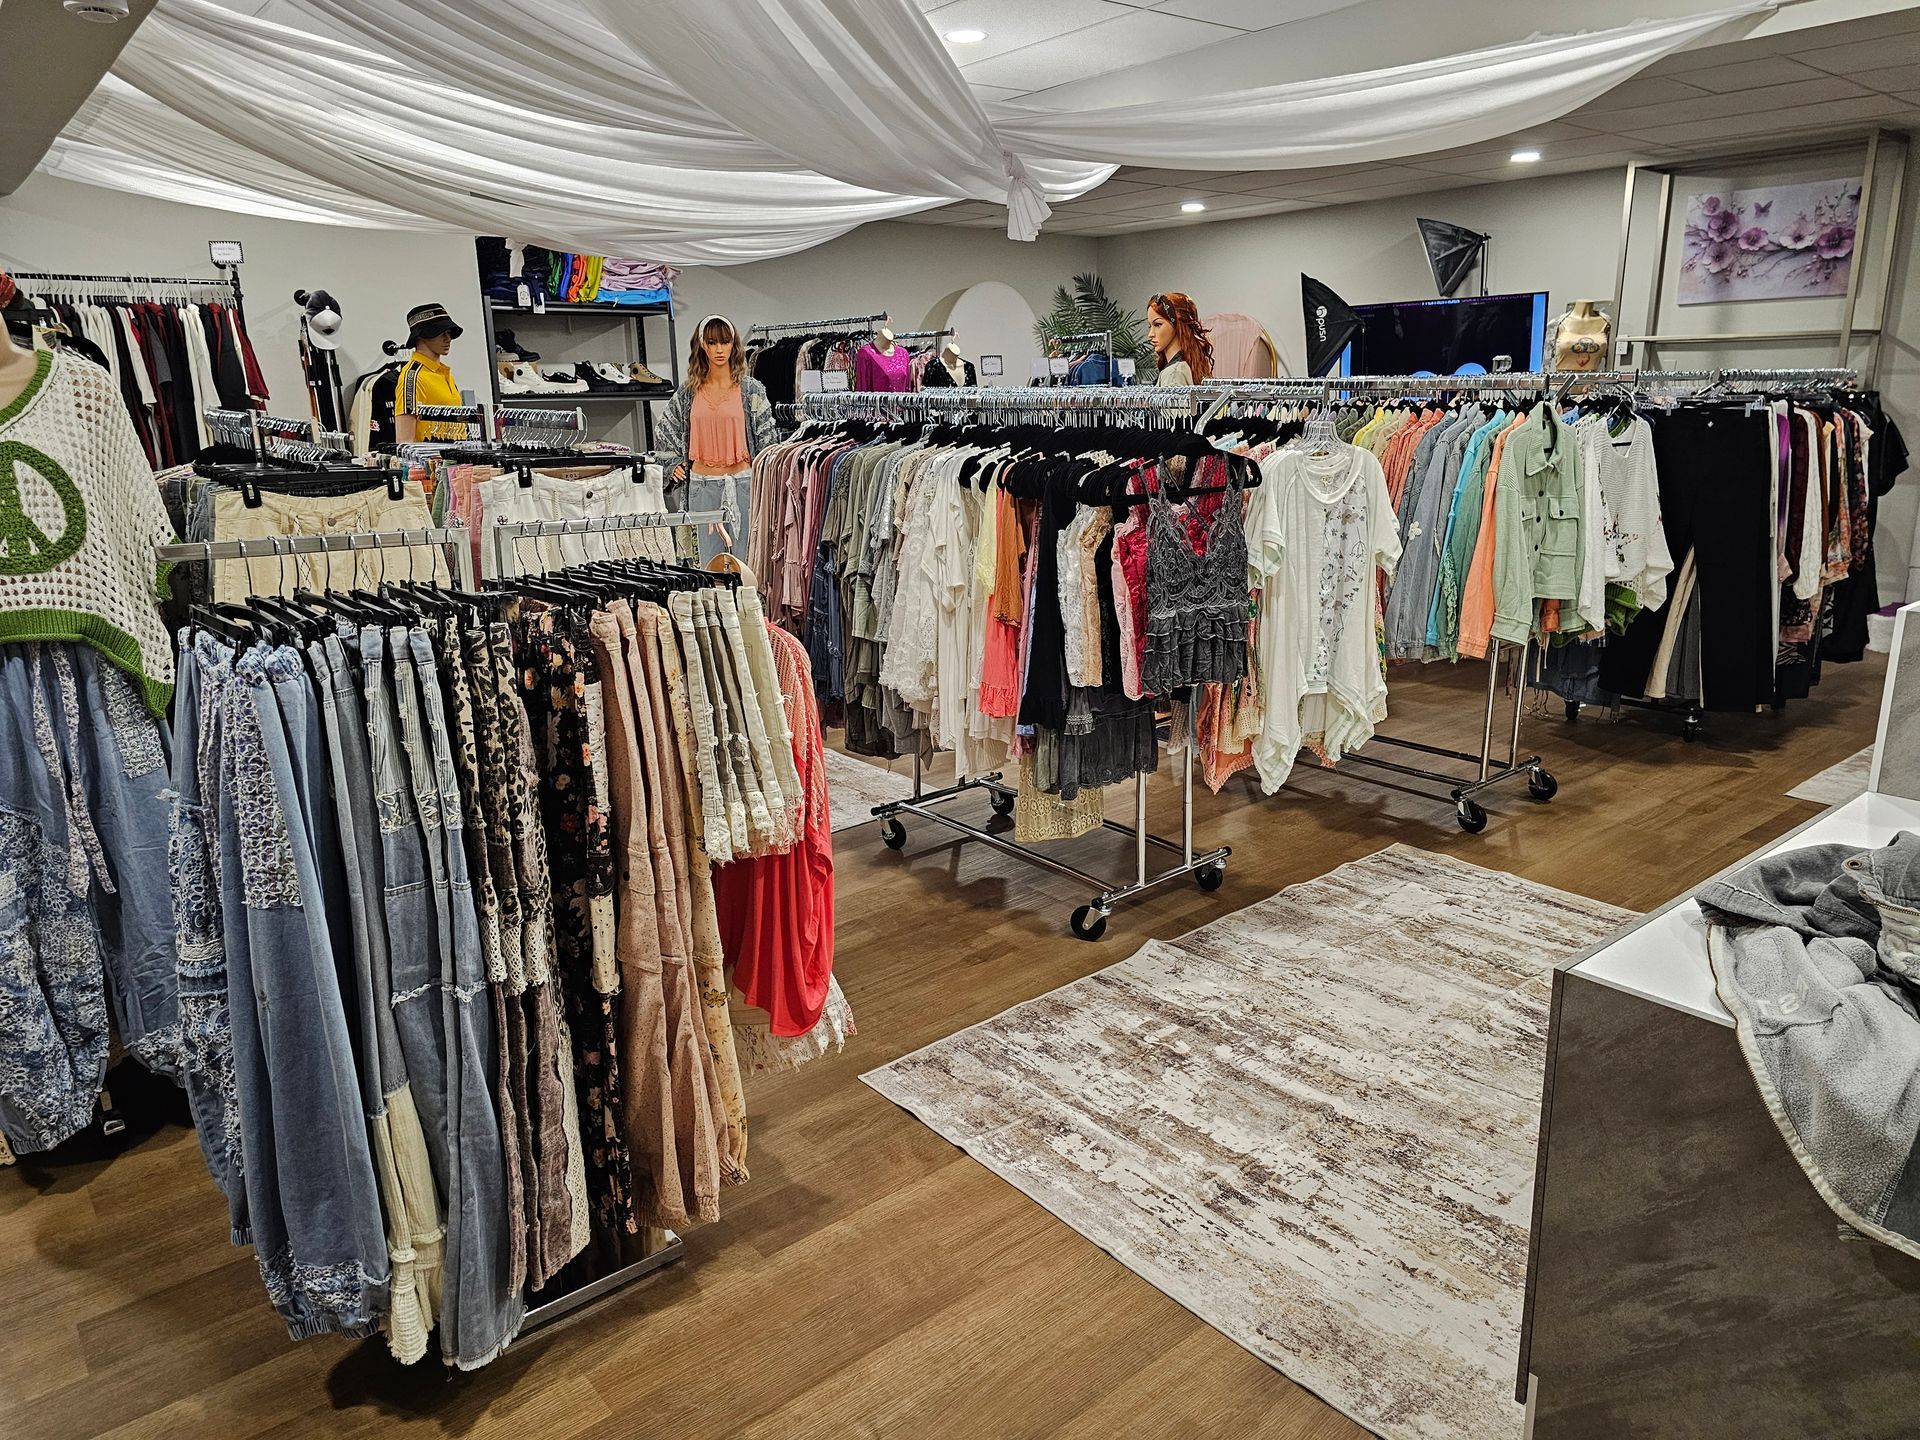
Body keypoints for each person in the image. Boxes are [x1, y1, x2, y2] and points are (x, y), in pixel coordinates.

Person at [657, 314, 777, 564]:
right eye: (712, 343)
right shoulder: (688, 392)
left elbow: (769, 440)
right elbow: (664, 431)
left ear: (734, 345)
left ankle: (747, 604)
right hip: (702, 487)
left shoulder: (751, 390)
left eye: (725, 342)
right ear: (702, 345)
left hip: (745, 485)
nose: (719, 349)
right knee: (707, 565)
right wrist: (672, 466)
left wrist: (766, 478)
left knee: (748, 562)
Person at [392, 302, 466, 442]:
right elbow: (404, 442)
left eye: (449, 333)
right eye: (440, 333)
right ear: (421, 336)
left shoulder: (445, 374)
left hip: (457, 460)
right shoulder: (413, 376)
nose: (448, 339)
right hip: (431, 461)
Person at [1146, 292, 1214, 386]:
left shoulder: (1174, 374)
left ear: (1177, 325)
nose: (1150, 334)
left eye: (1158, 325)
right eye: (1150, 326)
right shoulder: (1187, 366)